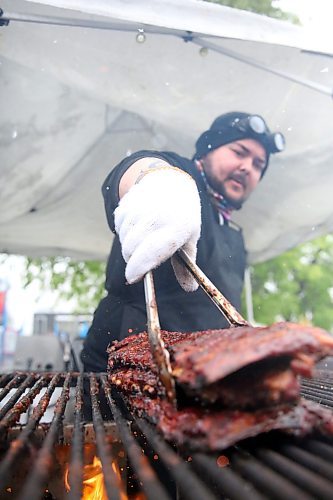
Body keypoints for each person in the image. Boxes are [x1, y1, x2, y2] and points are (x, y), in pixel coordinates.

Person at [81, 111, 285, 373]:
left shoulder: (234, 232)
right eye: (239, 151)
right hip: (122, 359)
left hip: (199, 369)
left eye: (258, 164)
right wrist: (156, 180)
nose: (248, 167)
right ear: (207, 150)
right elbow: (135, 167)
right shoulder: (180, 175)